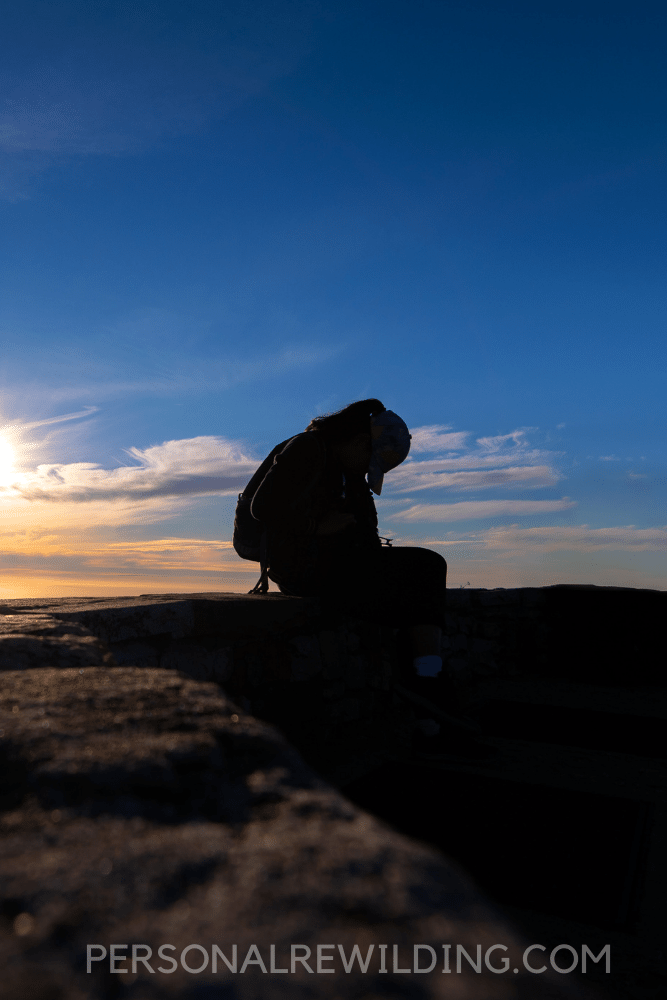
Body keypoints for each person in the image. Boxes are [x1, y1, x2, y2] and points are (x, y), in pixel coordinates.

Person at [249, 398, 448, 684]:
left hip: (340, 563)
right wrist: (317, 527)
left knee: (425, 573)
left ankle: (425, 674)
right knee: (423, 573)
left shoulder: (349, 473)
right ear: (359, 442)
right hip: (301, 568)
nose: (367, 470)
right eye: (370, 461)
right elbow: (262, 508)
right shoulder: (308, 449)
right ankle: (427, 677)